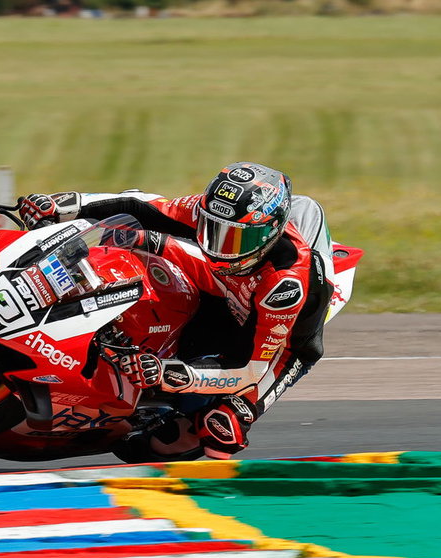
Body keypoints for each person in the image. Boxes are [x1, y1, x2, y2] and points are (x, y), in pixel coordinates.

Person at [17, 162, 334, 461]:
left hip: (274, 345)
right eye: (213, 229)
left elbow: (251, 369)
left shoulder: (286, 284)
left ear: (269, 234)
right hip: (223, 289)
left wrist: (170, 374)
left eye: (235, 238)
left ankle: (224, 419)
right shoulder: (210, 214)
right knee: (134, 242)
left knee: (220, 426)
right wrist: (66, 206)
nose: (220, 246)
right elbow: (144, 206)